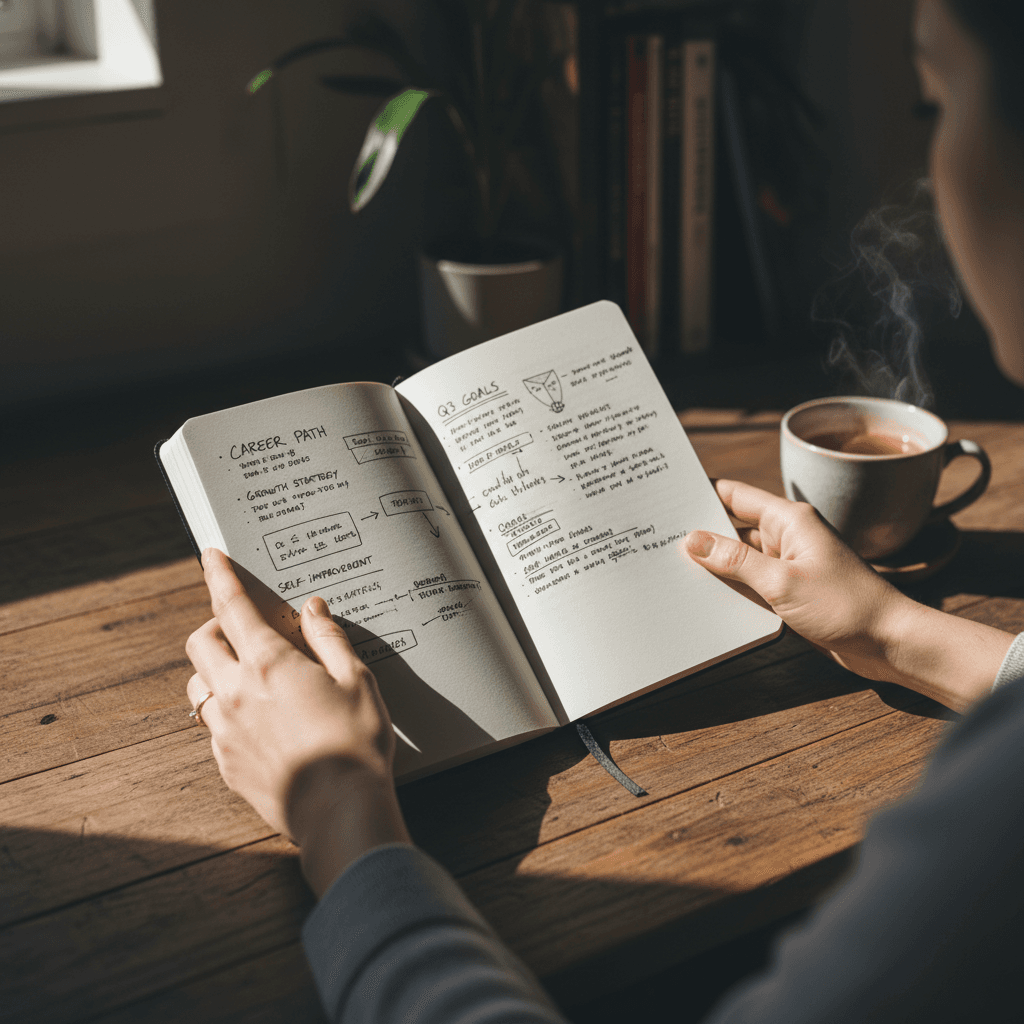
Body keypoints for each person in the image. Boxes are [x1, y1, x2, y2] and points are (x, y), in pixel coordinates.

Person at [184, 1, 1024, 1020]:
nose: (934, 166)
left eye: (935, 100)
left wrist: (340, 816)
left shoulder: (992, 822)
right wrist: (894, 631)